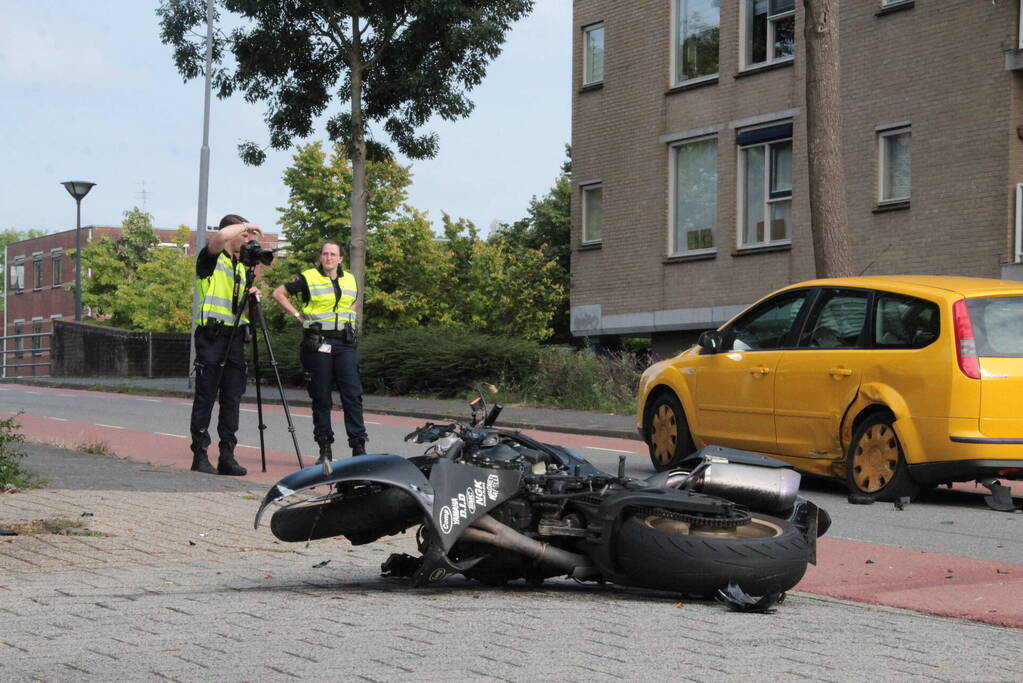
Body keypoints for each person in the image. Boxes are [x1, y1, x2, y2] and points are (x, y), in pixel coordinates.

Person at [272, 240, 367, 464]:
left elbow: (353, 302)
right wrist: (298, 316)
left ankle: (359, 447)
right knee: (321, 397)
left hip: (344, 344)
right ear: (320, 257)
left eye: (333, 254)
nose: (329, 258)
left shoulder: (350, 279)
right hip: (318, 343)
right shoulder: (308, 277)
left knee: (352, 395)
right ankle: (325, 448)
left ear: (340, 259)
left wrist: (348, 320)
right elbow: (278, 293)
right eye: (325, 254)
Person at [188, 214, 262, 475]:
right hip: (211, 337)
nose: (248, 240)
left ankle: (227, 454)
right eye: (244, 236)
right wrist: (246, 225)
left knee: (232, 397)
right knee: (206, 396)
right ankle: (199, 453)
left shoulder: (241, 268)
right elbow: (217, 238)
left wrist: (252, 296)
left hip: (234, 339)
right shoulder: (211, 259)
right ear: (230, 234)